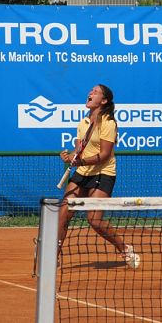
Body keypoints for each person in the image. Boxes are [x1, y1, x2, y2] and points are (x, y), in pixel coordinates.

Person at [57, 84, 140, 269]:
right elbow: (79, 150)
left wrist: (80, 161)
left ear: (104, 101)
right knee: (63, 213)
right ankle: (52, 257)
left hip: (103, 173)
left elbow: (104, 155)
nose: (90, 93)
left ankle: (124, 248)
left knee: (94, 220)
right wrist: (70, 156)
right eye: (90, 91)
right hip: (82, 173)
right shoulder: (83, 123)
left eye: (95, 92)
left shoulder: (109, 122)